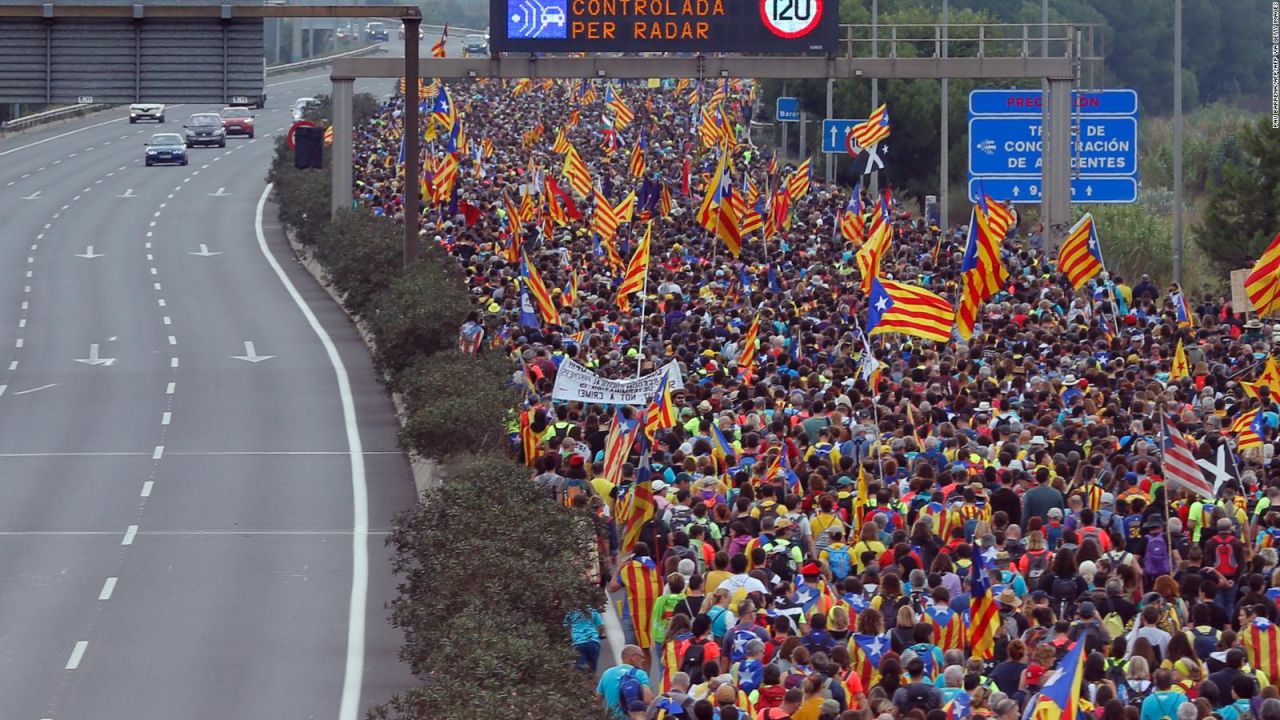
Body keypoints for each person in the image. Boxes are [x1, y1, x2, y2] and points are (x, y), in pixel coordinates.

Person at [598, 644, 656, 719]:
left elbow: (597, 699)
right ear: (633, 657)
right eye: (641, 657)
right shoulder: (640, 674)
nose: (643, 660)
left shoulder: (607, 673)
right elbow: (647, 699)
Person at [566, 605, 606, 672]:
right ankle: (593, 678)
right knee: (593, 668)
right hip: (593, 642)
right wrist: (599, 635)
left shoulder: (570, 612)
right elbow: (601, 626)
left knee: (580, 667)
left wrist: (571, 637)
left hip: (578, 643)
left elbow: (567, 627)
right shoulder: (593, 611)